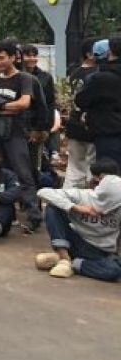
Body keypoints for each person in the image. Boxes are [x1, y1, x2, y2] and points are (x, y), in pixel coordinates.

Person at [0, 40, 42, 233]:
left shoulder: (24, 79)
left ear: (13, 58)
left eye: (2, 57)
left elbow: (24, 104)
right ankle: (4, 214)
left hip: (17, 133)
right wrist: (6, 108)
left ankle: (33, 216)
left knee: (23, 174)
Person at [35, 160, 121, 280]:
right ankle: (64, 256)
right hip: (77, 240)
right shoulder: (84, 195)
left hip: (99, 251)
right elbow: (43, 192)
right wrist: (76, 208)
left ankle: (70, 262)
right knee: (53, 206)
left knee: (113, 271)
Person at [64, 39, 107, 188]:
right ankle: (87, 202)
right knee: (92, 167)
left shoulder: (74, 72)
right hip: (89, 125)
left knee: (74, 168)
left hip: (73, 124)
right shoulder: (97, 74)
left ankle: (68, 201)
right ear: (89, 54)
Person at [76, 38, 121, 172]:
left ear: (109, 52)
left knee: (110, 174)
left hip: (108, 131)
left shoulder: (100, 78)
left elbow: (81, 100)